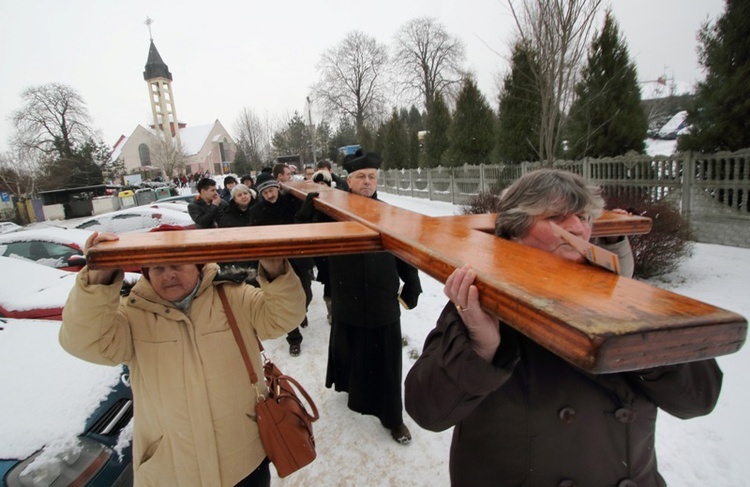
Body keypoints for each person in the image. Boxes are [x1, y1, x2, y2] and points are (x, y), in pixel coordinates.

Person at [404, 169, 723, 486]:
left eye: (584, 216)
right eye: (557, 217)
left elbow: (698, 401)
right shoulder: (482, 300)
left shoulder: (623, 297)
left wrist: (648, 346)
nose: (578, 228)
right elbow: (427, 411)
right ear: (515, 231)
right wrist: (482, 347)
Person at [59, 231, 306, 486]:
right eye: (157, 268)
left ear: (197, 264)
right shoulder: (132, 312)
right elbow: (84, 342)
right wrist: (98, 278)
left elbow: (284, 316)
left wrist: (275, 268)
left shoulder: (233, 296)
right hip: (171, 469)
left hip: (242, 460)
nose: (169, 274)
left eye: (177, 263)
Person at [302, 150, 422, 445]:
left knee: (388, 358)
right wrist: (310, 207)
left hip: (382, 295)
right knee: (350, 347)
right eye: (361, 177)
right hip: (347, 291)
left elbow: (403, 249)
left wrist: (412, 281)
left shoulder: (388, 212)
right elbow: (306, 235)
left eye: (372, 176)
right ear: (349, 180)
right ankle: (349, 387)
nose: (367, 181)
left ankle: (393, 417)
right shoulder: (332, 208)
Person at [249, 173, 314, 357]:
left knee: (306, 292)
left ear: (277, 187)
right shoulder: (256, 211)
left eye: (271, 190)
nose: (270, 195)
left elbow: (304, 221)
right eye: (265, 192)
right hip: (276, 261)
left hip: (298, 257)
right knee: (285, 301)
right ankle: (294, 338)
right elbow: (256, 237)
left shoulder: (292, 201)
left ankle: (301, 311)